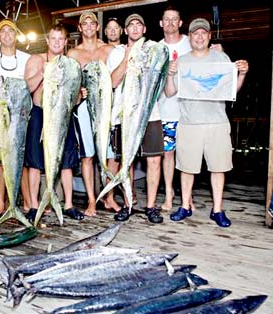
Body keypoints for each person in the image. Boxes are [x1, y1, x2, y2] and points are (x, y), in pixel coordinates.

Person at [164, 17, 249, 227]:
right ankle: (185, 206)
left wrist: (242, 75)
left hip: (217, 122)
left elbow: (232, 91)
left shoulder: (221, 58)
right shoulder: (181, 61)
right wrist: (169, 74)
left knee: (218, 167)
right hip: (188, 123)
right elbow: (169, 92)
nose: (199, 36)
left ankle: (217, 210)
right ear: (190, 37)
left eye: (203, 33)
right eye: (195, 33)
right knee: (186, 168)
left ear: (209, 36)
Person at [158, 6, 221, 211]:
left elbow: (211, 62)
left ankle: (188, 199)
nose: (169, 23)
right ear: (161, 23)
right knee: (168, 154)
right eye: (166, 19)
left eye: (173, 19)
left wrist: (217, 50)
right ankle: (169, 193)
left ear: (180, 23)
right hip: (166, 108)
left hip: (192, 113)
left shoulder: (192, 41)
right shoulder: (155, 48)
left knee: (190, 158)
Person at [107, 13, 164, 223]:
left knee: (154, 160)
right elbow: (112, 82)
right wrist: (127, 57)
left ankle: (151, 206)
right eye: (130, 25)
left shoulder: (154, 50)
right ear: (125, 30)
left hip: (150, 114)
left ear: (145, 29)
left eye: (139, 24)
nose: (135, 28)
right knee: (126, 161)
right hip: (125, 115)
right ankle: (129, 203)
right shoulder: (116, 53)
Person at [24, 24, 84, 222]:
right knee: (34, 162)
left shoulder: (71, 64)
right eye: (53, 38)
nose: (57, 42)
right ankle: (34, 206)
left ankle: (68, 205)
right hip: (40, 114)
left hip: (63, 115)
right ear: (47, 41)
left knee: (66, 162)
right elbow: (28, 88)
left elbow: (74, 99)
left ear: (66, 42)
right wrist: (44, 72)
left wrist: (80, 96)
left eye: (61, 39)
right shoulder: (36, 59)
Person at [0, 18, 31, 221]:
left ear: (16, 35)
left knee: (22, 162)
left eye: (12, 31)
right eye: (4, 32)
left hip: (20, 120)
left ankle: (28, 203)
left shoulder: (28, 58)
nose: (8, 35)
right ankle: (1, 205)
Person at [67, 12, 114, 217]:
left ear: (97, 26)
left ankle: (109, 197)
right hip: (84, 109)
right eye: (84, 23)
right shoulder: (73, 54)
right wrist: (77, 92)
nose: (88, 26)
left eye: (91, 23)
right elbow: (68, 84)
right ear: (80, 27)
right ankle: (92, 201)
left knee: (111, 155)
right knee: (88, 155)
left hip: (107, 107)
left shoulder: (109, 50)